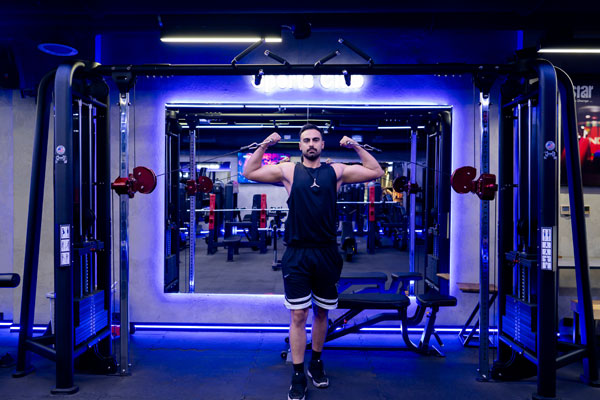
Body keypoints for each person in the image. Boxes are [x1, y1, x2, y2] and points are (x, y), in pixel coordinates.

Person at [243, 124, 384, 400]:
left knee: (322, 312)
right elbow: (249, 172)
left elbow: (375, 170)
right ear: (300, 146)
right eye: (306, 140)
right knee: (298, 314)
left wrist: (355, 145)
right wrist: (265, 144)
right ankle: (298, 373)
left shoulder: (337, 171)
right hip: (297, 253)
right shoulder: (288, 171)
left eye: (315, 140)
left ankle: (316, 362)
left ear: (322, 144)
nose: (311, 144)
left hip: (326, 253)